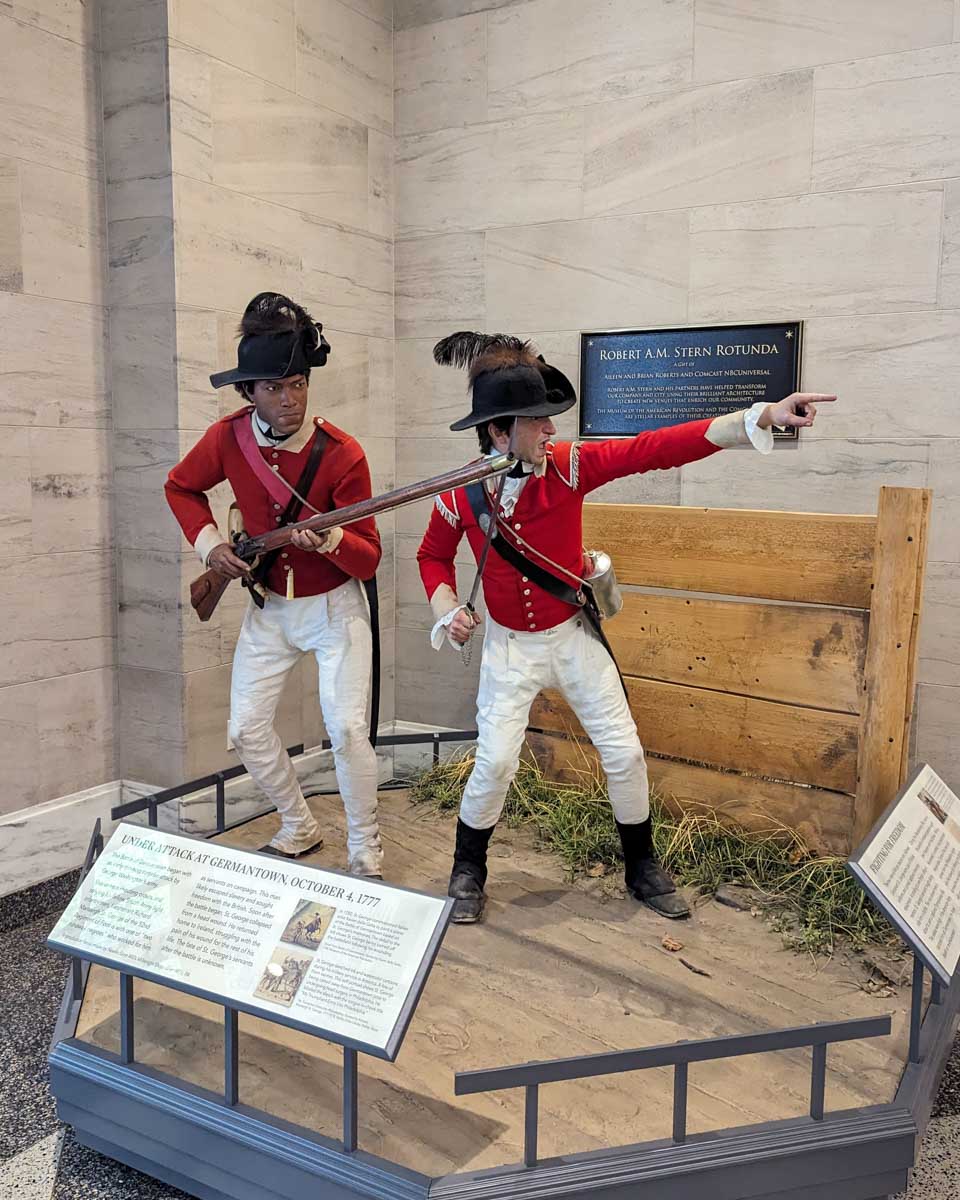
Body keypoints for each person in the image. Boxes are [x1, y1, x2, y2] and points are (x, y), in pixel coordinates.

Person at [417, 333, 836, 923]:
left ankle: (640, 865)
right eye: (537, 422)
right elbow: (431, 557)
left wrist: (757, 416)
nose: (551, 432)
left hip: (572, 636)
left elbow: (656, 447)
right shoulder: (459, 491)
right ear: (498, 431)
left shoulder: (569, 469)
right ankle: (469, 869)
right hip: (509, 650)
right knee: (494, 762)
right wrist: (446, 609)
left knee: (623, 752)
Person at [165, 292, 383, 875]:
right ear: (249, 392)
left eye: (297, 384)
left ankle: (366, 849)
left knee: (346, 728)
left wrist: (332, 540)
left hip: (335, 610)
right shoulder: (228, 438)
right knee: (245, 729)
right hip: (270, 608)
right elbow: (180, 488)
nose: (288, 400)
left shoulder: (343, 454)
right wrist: (210, 546)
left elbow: (369, 561)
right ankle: (297, 823)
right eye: (273, 388)